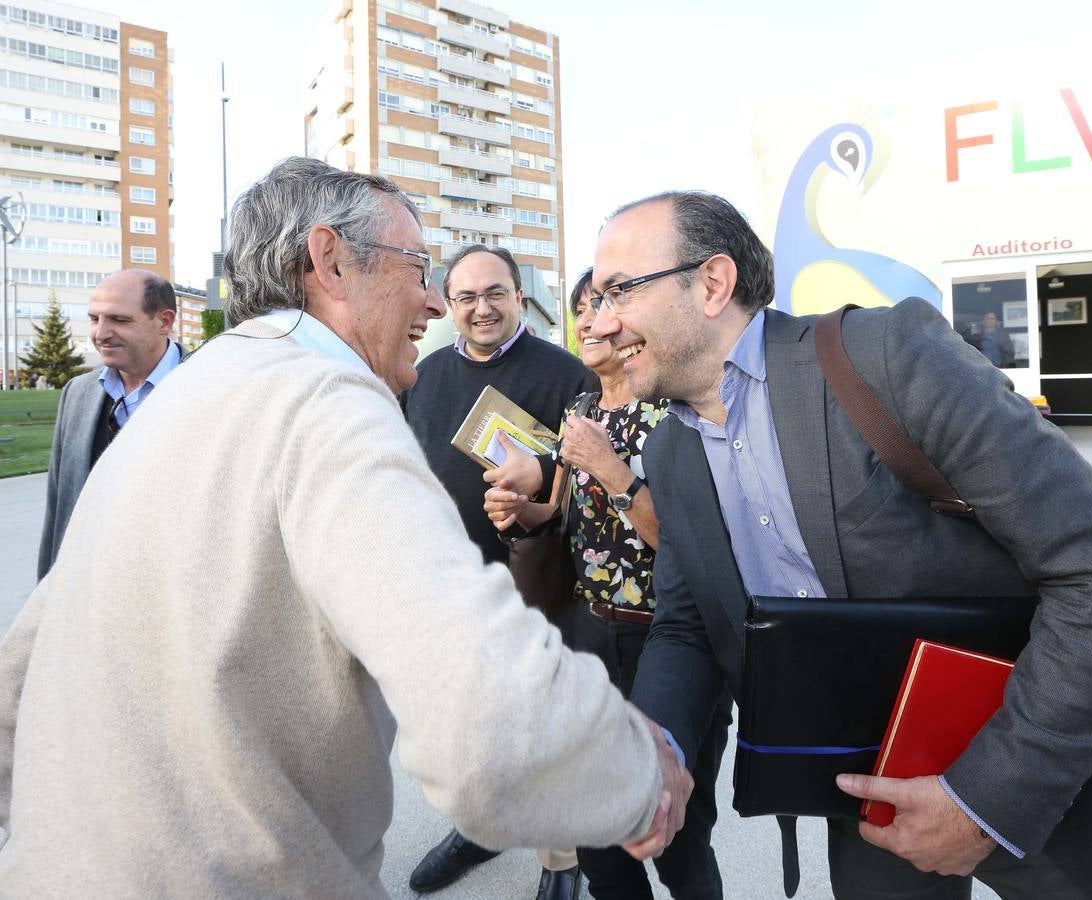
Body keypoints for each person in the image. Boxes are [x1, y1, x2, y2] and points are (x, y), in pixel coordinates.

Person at [0, 158, 690, 897]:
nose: (433, 301)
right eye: (419, 267)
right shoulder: (328, 401)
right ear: (330, 261)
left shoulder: (180, 394)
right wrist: (640, 773)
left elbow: (27, 661)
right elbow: (489, 727)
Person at [586, 190, 1092, 898]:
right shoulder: (671, 453)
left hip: (1059, 766)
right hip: (871, 799)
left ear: (711, 284)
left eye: (618, 291)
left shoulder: (885, 355)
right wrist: (662, 748)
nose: (599, 321)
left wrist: (985, 801)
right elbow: (688, 627)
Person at [485, 270, 730, 900]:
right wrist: (523, 510)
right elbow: (567, 514)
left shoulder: (675, 413)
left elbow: (686, 542)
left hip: (671, 642)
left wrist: (611, 468)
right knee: (598, 835)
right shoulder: (581, 408)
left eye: (604, 306)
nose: (590, 321)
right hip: (590, 634)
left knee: (677, 838)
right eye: (583, 309)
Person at [401, 245, 596, 900]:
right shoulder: (422, 378)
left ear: (519, 296)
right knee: (466, 730)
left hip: (538, 587)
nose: (481, 308)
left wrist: (540, 500)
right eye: (466, 297)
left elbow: (588, 490)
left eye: (495, 293)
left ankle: (561, 859)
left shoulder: (568, 376)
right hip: (449, 592)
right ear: (448, 305)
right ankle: (479, 828)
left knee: (543, 729)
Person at [37, 268, 183, 579]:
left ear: (164, 322)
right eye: (94, 319)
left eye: (119, 320)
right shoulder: (77, 394)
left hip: (173, 592)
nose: (101, 333)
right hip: (87, 588)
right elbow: (58, 507)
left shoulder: (211, 385)